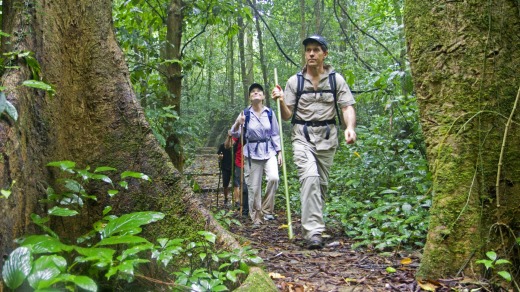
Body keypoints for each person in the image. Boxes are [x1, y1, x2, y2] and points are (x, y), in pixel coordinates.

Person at [271, 35, 357, 249]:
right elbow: (287, 116)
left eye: (316, 50)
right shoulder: (294, 81)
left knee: (321, 185)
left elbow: (346, 107)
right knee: (310, 178)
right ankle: (313, 233)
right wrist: (280, 101)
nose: (311, 53)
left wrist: (350, 127)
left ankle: (314, 223)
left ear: (324, 54)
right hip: (302, 137)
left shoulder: (336, 80)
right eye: (308, 50)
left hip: (328, 138)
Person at [231, 83, 282, 227]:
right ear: (249, 97)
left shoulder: (270, 113)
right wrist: (237, 123)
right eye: (253, 92)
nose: (256, 93)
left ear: (264, 96)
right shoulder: (245, 114)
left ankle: (266, 210)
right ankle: (256, 217)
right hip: (252, 153)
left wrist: (279, 152)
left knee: (274, 178)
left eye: (259, 91)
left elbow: (275, 134)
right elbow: (234, 134)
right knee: (254, 187)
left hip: (269, 150)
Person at [232, 136, 249, 216]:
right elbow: (228, 145)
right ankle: (245, 210)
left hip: (252, 160)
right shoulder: (238, 130)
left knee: (251, 186)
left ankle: (252, 208)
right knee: (244, 187)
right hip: (239, 163)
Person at [217, 132, 234, 205]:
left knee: (236, 184)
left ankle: (235, 199)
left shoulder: (235, 145)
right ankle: (226, 198)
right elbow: (219, 155)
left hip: (234, 167)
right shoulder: (222, 146)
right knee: (225, 184)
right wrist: (220, 157)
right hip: (225, 167)